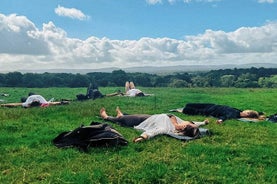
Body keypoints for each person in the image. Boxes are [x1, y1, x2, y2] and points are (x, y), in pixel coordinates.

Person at [100, 107, 209, 143]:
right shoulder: (183, 122)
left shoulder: (167, 128)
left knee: (123, 120)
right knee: (128, 116)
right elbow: (196, 123)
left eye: (188, 124)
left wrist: (142, 137)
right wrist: (203, 123)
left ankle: (106, 117)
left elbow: (154, 132)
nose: (188, 122)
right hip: (151, 117)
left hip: (142, 121)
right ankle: (121, 115)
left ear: (183, 130)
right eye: (189, 123)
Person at [177, 103, 266, 124]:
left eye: (247, 111)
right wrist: (259, 114)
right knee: (189, 104)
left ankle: (183, 110)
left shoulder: (234, 115)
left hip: (211, 111)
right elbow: (256, 114)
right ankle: (185, 108)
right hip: (212, 106)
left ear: (247, 114)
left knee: (188, 109)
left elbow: (225, 117)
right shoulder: (239, 111)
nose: (245, 110)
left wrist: (220, 120)